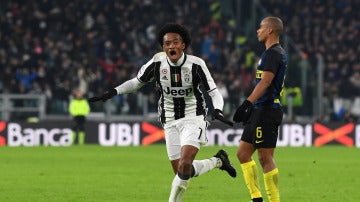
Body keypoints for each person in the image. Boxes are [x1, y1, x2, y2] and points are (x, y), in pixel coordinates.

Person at [89, 23, 236, 202]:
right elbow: (136, 82)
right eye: (167, 44)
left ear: (183, 45)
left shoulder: (196, 65)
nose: (171, 46)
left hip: (193, 117)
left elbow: (213, 92)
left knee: (184, 165)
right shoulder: (157, 62)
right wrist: (112, 92)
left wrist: (218, 110)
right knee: (182, 171)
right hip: (169, 119)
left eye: (175, 42)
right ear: (163, 46)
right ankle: (218, 161)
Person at [233, 17, 286, 202]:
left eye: (261, 27)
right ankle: (256, 198)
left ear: (270, 30)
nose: (257, 30)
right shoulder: (269, 53)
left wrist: (247, 103)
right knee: (243, 153)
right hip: (259, 109)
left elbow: (266, 81)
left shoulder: (273, 53)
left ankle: (274, 200)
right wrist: (251, 106)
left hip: (267, 110)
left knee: (265, 157)